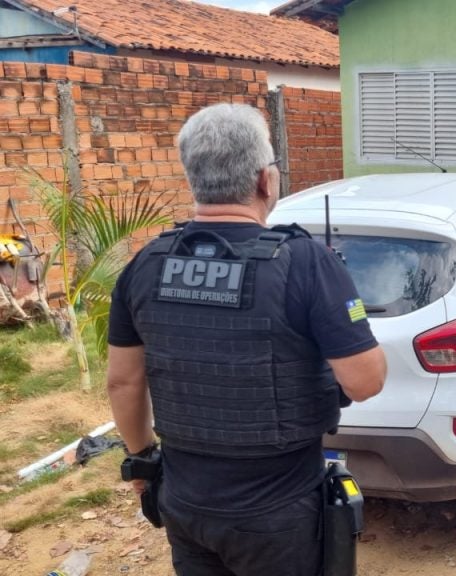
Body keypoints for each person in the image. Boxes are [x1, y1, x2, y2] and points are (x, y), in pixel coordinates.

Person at [106, 103, 386, 575]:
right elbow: (365, 381)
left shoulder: (146, 264)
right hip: (279, 511)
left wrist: (141, 464)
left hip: (184, 501)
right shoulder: (305, 262)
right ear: (264, 180)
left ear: (193, 178)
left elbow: (123, 383)